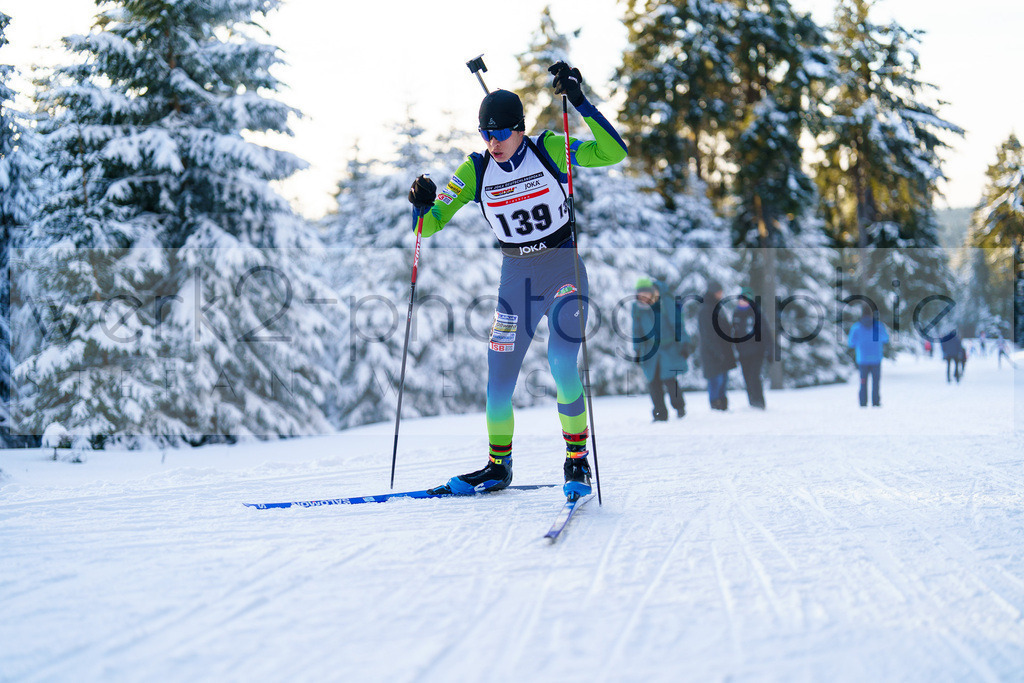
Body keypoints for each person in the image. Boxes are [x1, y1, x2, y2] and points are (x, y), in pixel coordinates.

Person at [407, 62, 627, 498]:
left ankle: (577, 461)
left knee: (562, 361)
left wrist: (579, 101)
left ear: (520, 129)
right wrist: (420, 204)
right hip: (517, 279)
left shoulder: (549, 148)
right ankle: (497, 466)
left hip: (563, 267)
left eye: (501, 134)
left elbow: (613, 152)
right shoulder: (476, 170)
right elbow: (428, 227)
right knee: (499, 375)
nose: (493, 143)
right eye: (485, 135)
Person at [631, 277, 692, 421]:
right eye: (640, 294)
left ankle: (679, 407)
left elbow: (677, 323)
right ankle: (660, 413)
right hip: (649, 350)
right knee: (653, 382)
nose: (643, 296)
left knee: (670, 379)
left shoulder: (665, 302)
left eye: (645, 293)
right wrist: (637, 349)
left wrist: (684, 343)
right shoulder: (637, 308)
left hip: (668, 347)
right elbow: (636, 330)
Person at [732, 286, 774, 409]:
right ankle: (751, 402)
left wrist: (769, 350)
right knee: (746, 377)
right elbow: (734, 333)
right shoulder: (736, 313)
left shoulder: (756, 313)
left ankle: (759, 402)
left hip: (757, 351)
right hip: (743, 352)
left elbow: (765, 332)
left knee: (754, 376)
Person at [698, 280, 736, 410]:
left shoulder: (717, 307)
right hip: (713, 351)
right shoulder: (706, 309)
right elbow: (708, 333)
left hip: (722, 348)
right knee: (716, 378)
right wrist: (716, 350)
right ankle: (716, 403)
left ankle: (722, 402)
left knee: (723, 377)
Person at [847, 305, 890, 407]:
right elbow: (885, 339)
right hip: (876, 358)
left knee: (863, 382)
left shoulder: (856, 327)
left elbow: (851, 343)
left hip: (862, 359)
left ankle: (863, 402)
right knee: (876, 382)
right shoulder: (878, 326)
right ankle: (875, 402)